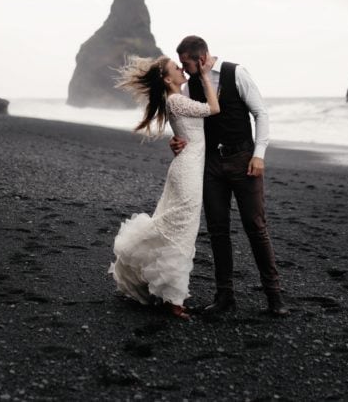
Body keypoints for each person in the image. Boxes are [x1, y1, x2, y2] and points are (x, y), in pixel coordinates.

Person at [171, 35, 289, 317]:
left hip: (243, 160)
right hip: (210, 164)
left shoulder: (236, 72)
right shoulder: (190, 86)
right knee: (217, 231)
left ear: (200, 59)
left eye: (186, 63)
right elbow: (188, 125)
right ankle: (225, 298)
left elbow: (260, 113)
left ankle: (274, 297)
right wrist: (176, 142)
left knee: (256, 227)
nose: (183, 69)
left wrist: (259, 154)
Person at [108, 55, 220, 319]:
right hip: (188, 172)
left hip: (187, 168)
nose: (182, 70)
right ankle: (173, 299)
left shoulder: (176, 100)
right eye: (176, 68)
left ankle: (169, 293)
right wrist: (205, 75)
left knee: (178, 229)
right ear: (168, 79)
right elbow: (214, 109)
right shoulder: (176, 99)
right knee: (181, 231)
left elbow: (190, 131)